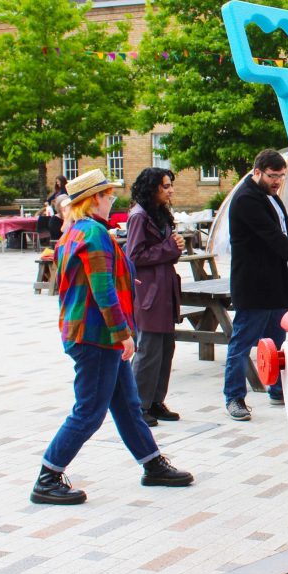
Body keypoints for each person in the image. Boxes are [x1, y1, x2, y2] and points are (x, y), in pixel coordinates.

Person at [31, 168, 193, 505]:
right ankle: (48, 476)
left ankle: (152, 464)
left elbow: (89, 281)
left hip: (89, 332)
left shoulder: (76, 232)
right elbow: (102, 291)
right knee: (89, 411)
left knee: (128, 407)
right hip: (97, 335)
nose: (112, 200)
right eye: (107, 196)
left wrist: (124, 278)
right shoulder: (93, 233)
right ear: (93, 200)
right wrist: (124, 335)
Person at [224, 149, 288, 421]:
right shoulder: (246, 199)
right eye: (272, 176)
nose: (277, 181)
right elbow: (272, 237)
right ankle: (234, 397)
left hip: (276, 283)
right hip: (253, 284)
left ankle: (277, 389)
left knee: (276, 343)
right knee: (242, 343)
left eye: (281, 176)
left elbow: (282, 234)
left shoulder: (270, 197)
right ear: (257, 172)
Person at [127, 168, 184, 427]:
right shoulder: (139, 216)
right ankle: (138, 404)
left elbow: (161, 251)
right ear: (153, 188)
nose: (170, 190)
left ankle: (155, 401)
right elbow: (135, 255)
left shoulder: (158, 213)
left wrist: (174, 248)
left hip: (164, 287)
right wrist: (170, 247)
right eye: (165, 186)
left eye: (170, 185)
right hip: (149, 290)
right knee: (149, 349)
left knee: (165, 348)